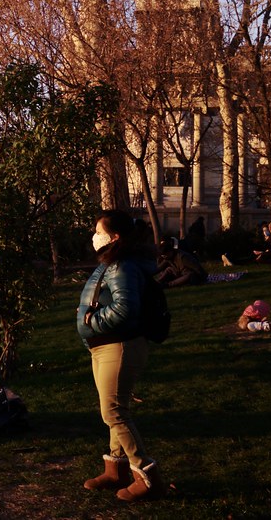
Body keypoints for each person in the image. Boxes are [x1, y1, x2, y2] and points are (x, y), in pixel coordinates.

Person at [77, 209, 165, 502]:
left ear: (114, 237)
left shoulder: (122, 266)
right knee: (116, 409)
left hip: (119, 344)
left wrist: (92, 321)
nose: (94, 235)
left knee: (114, 412)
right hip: (106, 346)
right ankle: (115, 470)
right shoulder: (113, 262)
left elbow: (126, 307)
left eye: (98, 230)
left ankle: (147, 475)